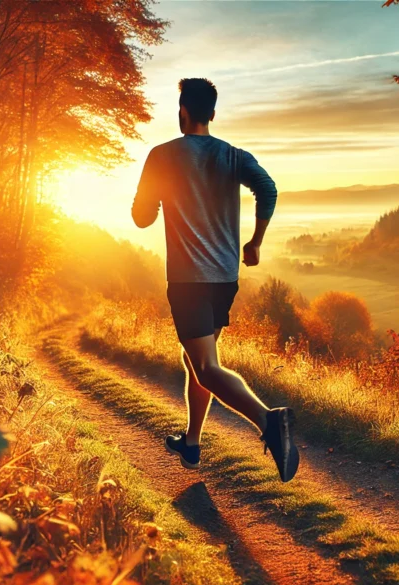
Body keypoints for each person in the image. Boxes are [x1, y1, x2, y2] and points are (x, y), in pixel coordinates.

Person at [131, 78, 299, 482]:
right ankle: (191, 443)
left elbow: (141, 218)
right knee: (199, 363)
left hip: (189, 280)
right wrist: (255, 242)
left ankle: (269, 422)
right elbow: (268, 190)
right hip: (225, 277)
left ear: (182, 112)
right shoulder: (233, 155)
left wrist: (155, 201)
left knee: (205, 366)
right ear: (212, 114)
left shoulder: (162, 155)